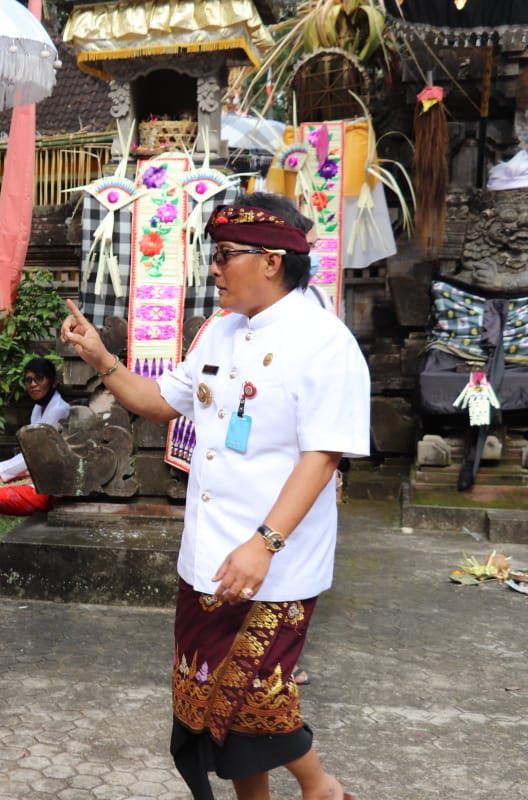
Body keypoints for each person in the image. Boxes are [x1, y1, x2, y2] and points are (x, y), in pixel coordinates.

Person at [60, 193, 367, 800]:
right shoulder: (222, 332)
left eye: (226, 255)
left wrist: (264, 543)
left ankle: (321, 788)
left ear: (273, 260)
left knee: (253, 698)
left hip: (273, 564)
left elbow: (323, 455)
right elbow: (159, 402)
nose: (214, 268)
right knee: (208, 706)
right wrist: (101, 357)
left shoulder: (324, 343)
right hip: (207, 556)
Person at [0, 357, 70, 568]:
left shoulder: (58, 410)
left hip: (46, 487)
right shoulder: (39, 408)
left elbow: (36, 457)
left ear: (53, 381)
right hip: (35, 476)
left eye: (39, 378)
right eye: (28, 380)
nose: (33, 384)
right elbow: (31, 454)